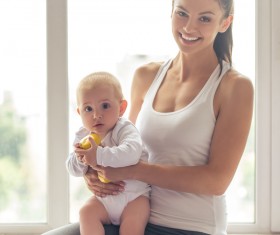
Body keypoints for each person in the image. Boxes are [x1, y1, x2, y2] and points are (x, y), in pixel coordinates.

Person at [42, 0, 254, 234]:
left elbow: (216, 181)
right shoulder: (145, 76)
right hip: (133, 218)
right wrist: (92, 171)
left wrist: (132, 171)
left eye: (204, 18)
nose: (189, 27)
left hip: (193, 227)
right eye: (182, 13)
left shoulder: (234, 87)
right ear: (171, 11)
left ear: (225, 22)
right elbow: (119, 141)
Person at [66, 71, 150, 235]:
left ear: (121, 108)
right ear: (80, 113)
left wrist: (98, 155)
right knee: (86, 213)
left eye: (105, 106)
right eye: (88, 109)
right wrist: (81, 158)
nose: (96, 115)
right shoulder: (84, 135)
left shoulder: (124, 129)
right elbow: (72, 169)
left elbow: (132, 153)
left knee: (131, 227)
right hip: (104, 201)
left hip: (134, 198)